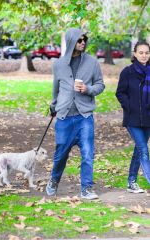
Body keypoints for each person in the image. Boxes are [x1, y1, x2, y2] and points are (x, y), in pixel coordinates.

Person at [46, 28, 105, 199]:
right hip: (64, 117)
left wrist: (88, 89)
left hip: (84, 116)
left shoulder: (92, 62)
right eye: (79, 40)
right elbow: (56, 90)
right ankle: (54, 181)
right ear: (72, 41)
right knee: (60, 155)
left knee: (87, 154)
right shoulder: (58, 64)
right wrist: (53, 106)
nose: (83, 43)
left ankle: (86, 188)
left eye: (84, 39)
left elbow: (100, 85)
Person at [116, 41, 150, 193]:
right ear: (135, 54)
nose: (144, 55)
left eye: (147, 53)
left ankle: (131, 182)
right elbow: (120, 92)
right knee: (143, 149)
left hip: (148, 118)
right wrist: (128, 106)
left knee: (138, 149)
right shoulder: (127, 72)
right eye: (141, 52)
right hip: (133, 119)